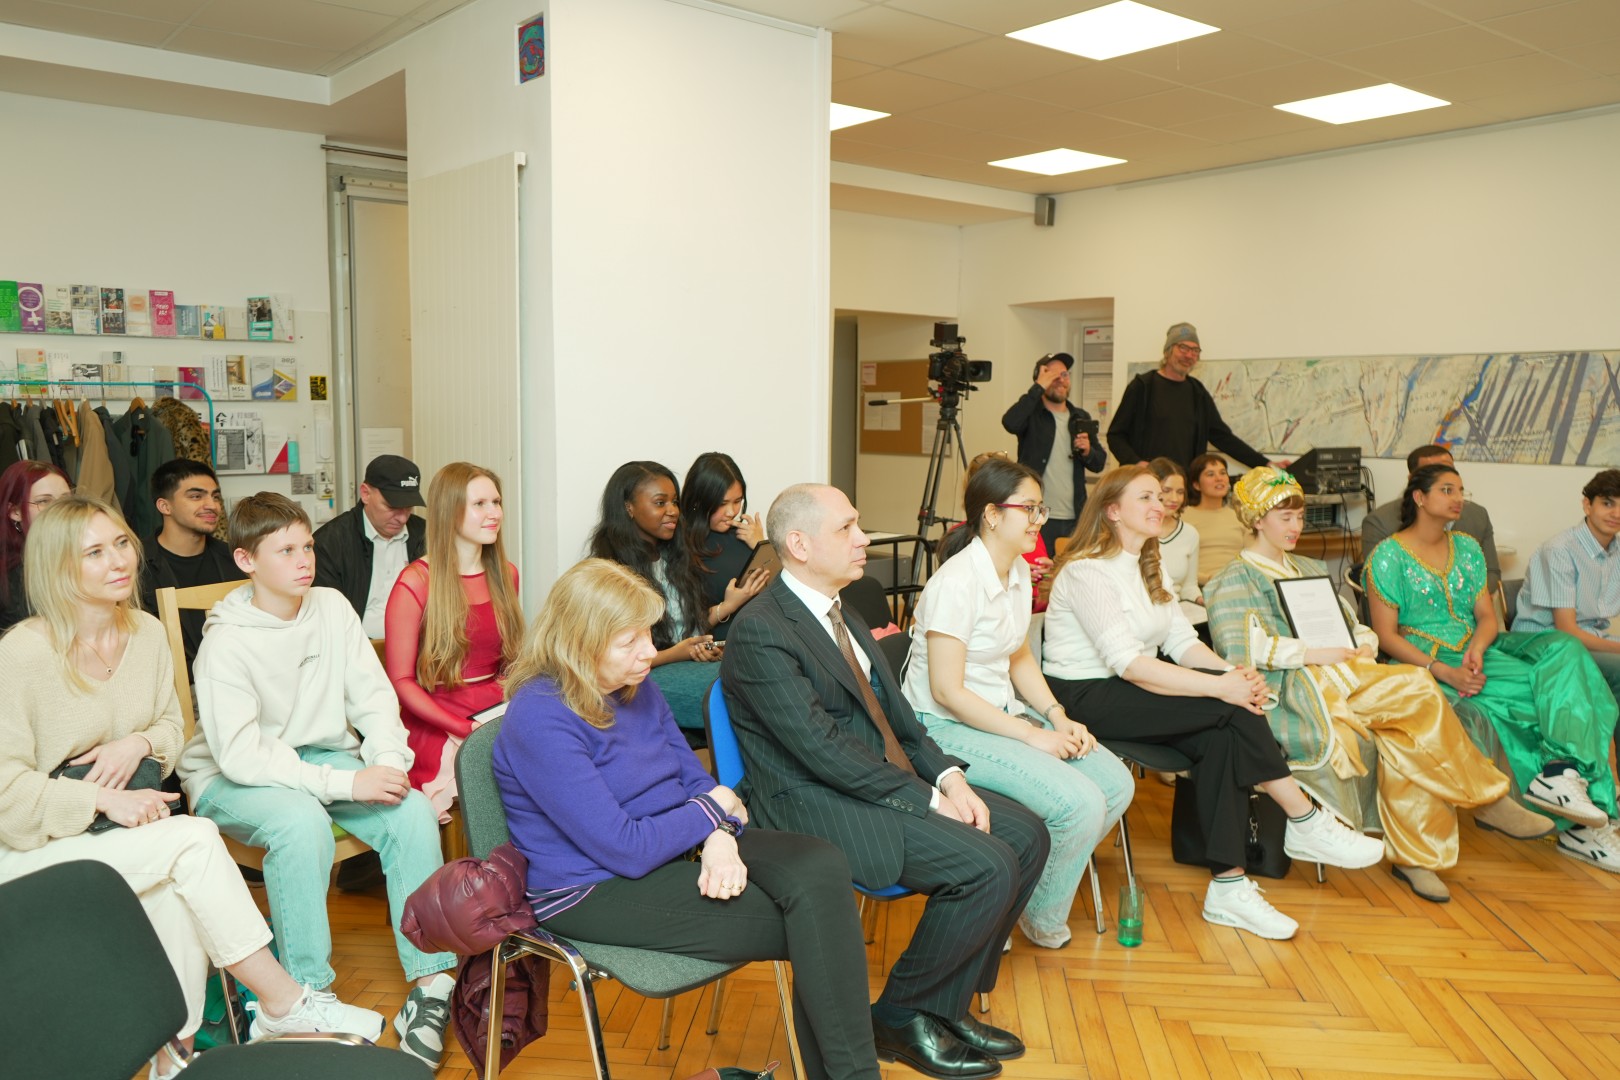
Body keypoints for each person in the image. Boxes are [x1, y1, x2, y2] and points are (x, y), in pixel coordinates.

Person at [0, 496, 383, 1080]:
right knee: (195, 839)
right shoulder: (21, 654)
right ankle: (284, 1004)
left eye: (121, 544)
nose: (118, 561)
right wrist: (104, 798)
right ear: (57, 567)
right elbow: (6, 795)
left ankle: (173, 1057)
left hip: (111, 837)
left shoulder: (147, 633)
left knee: (177, 898)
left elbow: (172, 730)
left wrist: (137, 744)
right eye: (94, 553)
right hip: (29, 849)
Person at [495, 558, 880, 1080]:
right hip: (592, 887)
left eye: (647, 635)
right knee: (816, 924)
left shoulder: (634, 683)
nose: (649, 652)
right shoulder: (540, 716)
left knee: (821, 864)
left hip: (677, 842)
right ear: (579, 643)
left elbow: (695, 781)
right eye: (629, 641)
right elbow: (626, 848)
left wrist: (719, 835)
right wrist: (715, 811)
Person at [724, 483, 1050, 1080]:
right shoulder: (761, 629)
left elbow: (899, 719)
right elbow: (820, 750)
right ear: (799, 545)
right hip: (813, 801)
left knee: (1029, 835)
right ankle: (902, 1015)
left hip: (877, 779)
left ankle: (943, 1006)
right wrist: (927, 799)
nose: (864, 540)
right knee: (987, 865)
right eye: (847, 528)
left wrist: (949, 778)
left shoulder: (840, 608)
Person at [1041, 464, 1385, 941]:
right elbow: (1129, 664)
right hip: (1084, 694)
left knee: (1222, 734)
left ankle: (1228, 886)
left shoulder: (1149, 564)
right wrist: (1223, 690)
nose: (1160, 504)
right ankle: (1304, 818)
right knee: (1228, 709)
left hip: (1131, 686)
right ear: (1113, 511)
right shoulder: (1087, 571)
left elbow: (1183, 644)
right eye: (1145, 498)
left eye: (1160, 496)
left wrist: (1232, 675)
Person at [178, 492, 457, 1067]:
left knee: (409, 811)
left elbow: (374, 699)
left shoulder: (331, 607)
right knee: (301, 824)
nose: (304, 559)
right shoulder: (226, 641)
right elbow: (242, 756)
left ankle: (431, 985)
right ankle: (306, 997)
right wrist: (347, 785)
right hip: (232, 773)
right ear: (246, 560)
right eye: (285, 551)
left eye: (306, 546)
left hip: (320, 757)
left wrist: (388, 764)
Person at [1205, 468, 1552, 903]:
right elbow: (1240, 651)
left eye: (1300, 517)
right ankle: (1484, 797)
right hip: (1296, 691)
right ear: (1257, 520)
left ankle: (1415, 857)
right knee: (1417, 686)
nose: (1296, 527)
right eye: (1285, 517)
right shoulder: (1232, 578)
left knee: (1404, 735)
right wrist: (1313, 653)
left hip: (1347, 675)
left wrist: (1362, 642)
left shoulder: (1308, 567)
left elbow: (1352, 624)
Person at [903, 458, 1133, 949]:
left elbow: (1019, 654)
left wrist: (1056, 715)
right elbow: (946, 691)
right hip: (941, 726)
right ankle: (1028, 914)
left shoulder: (1018, 572)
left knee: (1116, 784)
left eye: (1039, 509)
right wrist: (1032, 735)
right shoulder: (956, 583)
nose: (1038, 520)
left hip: (998, 714)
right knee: (1079, 803)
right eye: (1028, 509)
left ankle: (1018, 896)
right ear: (991, 515)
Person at [1364, 464, 1620, 873]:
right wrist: (1442, 671)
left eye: (1461, 490)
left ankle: (1565, 778)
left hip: (1480, 649)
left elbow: (1486, 616)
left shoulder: (1466, 548)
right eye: (1447, 490)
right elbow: (1386, 636)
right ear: (1419, 497)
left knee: (1568, 653)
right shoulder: (1388, 556)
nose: (1458, 499)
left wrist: (1479, 649)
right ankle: (1580, 824)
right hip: (1422, 658)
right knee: (1536, 699)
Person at [384, 462, 523, 820]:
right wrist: (462, 727)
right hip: (437, 716)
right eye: (480, 504)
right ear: (450, 511)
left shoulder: (507, 574)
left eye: (496, 502)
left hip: (495, 706)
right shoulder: (416, 582)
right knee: (481, 781)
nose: (494, 513)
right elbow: (401, 681)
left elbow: (510, 664)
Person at [589, 461, 730, 735]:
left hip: (687, 666)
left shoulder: (675, 558)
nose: (673, 510)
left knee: (751, 674)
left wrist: (702, 647)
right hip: (644, 675)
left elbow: (689, 627)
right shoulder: (609, 571)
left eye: (675, 502)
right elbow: (607, 661)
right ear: (628, 507)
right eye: (660, 502)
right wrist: (677, 653)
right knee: (734, 692)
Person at [1512, 469, 1620, 708]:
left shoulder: (1617, 550)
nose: (1616, 514)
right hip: (1545, 640)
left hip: (1588, 636)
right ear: (1587, 505)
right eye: (1608, 504)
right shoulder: (1560, 550)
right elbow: (1567, 630)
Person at [1105, 323, 1268, 471]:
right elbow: (1115, 435)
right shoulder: (1143, 387)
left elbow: (1222, 437)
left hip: (1184, 485)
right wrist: (1136, 462)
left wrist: (1265, 464)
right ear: (1167, 352)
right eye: (1183, 348)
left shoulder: (1198, 392)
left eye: (1195, 351)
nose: (1189, 355)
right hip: (1147, 481)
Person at [138, 459, 244, 673]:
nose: (212, 505)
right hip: (171, 684)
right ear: (164, 506)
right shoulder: (135, 566)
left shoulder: (236, 560)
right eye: (196, 496)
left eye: (215, 496)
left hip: (233, 677)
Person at [1000, 352, 1107, 553]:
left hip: (1075, 516)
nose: (1060, 380)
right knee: (1038, 568)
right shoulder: (1031, 414)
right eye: (1052, 376)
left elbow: (1099, 463)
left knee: (1073, 567)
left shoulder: (1080, 416)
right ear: (1039, 379)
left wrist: (1088, 451)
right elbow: (1010, 422)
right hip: (1036, 515)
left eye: (1064, 375)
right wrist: (1038, 387)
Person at [313, 454, 426, 638]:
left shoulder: (425, 535)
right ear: (365, 493)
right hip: (356, 647)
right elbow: (327, 617)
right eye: (392, 507)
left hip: (418, 646)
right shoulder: (330, 543)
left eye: (408, 508)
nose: (402, 518)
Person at [1361, 444, 1500, 591]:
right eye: (1432, 473)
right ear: (1414, 483)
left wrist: (1464, 598)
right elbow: (1379, 587)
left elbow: (1491, 573)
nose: (1443, 476)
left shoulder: (1477, 517)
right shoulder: (1380, 523)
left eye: (1448, 470)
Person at [680, 451, 771, 642]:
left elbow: (781, 590)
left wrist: (760, 545)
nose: (731, 512)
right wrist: (728, 606)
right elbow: (683, 629)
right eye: (722, 503)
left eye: (737, 501)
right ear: (698, 501)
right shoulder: (679, 545)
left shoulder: (745, 535)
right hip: (723, 646)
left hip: (765, 636)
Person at [0, 460, 71, 631]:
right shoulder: (11, 575)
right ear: (15, 512)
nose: (60, 508)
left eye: (66, 500)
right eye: (44, 501)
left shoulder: (84, 552)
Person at [1146, 457, 1202, 625]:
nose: (1175, 499)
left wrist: (1202, 601)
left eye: (1180, 492)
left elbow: (1189, 587)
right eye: (1167, 490)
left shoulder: (1190, 534)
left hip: (1178, 613)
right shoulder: (1138, 531)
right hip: (1145, 613)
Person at [1180, 453, 1247, 586]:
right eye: (1210, 474)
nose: (1219, 478)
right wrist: (1207, 579)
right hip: (1198, 586)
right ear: (1196, 485)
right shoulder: (1183, 516)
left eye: (1223, 473)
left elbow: (1253, 557)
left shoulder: (1240, 516)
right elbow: (1176, 563)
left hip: (1238, 584)